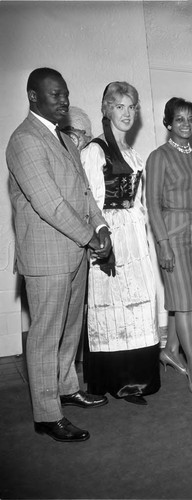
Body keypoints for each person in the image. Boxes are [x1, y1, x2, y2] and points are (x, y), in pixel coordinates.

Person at [6, 67, 112, 443]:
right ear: (34, 96)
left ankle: (67, 388)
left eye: (65, 94)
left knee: (70, 329)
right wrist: (90, 237)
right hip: (47, 256)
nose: (63, 101)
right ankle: (47, 415)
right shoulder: (24, 140)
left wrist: (100, 227)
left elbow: (83, 193)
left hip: (75, 250)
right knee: (45, 337)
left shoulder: (64, 139)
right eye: (55, 95)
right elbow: (49, 203)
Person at [81, 82, 161, 406]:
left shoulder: (132, 154)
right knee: (112, 305)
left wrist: (140, 234)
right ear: (107, 109)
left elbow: (138, 202)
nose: (126, 113)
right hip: (109, 234)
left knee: (140, 300)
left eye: (131, 107)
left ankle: (135, 380)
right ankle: (115, 380)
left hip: (133, 234)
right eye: (119, 107)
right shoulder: (95, 151)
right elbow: (91, 204)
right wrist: (103, 243)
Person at [146, 97, 192, 397]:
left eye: (190, 118)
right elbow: (152, 206)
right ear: (168, 123)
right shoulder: (159, 157)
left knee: (190, 296)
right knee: (183, 303)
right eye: (179, 119)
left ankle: (170, 350)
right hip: (171, 231)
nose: (186, 124)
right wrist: (163, 245)